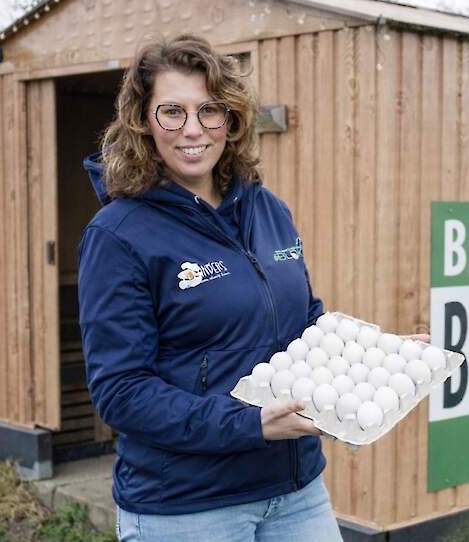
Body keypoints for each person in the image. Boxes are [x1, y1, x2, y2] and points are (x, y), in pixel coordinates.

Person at [77, 34, 344, 541]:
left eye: (210, 110)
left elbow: (304, 323)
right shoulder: (118, 234)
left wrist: (373, 358)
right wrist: (250, 424)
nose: (193, 130)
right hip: (187, 508)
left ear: (232, 117)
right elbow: (121, 392)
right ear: (143, 121)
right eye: (171, 112)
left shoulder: (268, 209)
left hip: (296, 491)